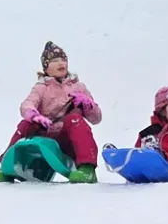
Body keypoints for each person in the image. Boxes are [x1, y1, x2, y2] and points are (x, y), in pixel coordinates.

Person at [10, 41, 103, 183]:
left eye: (63, 59)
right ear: (46, 67)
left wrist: (88, 105)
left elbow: (96, 119)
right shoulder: (41, 87)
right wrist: (33, 115)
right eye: (55, 60)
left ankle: (87, 168)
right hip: (46, 135)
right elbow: (28, 103)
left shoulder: (78, 87)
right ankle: (8, 164)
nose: (61, 63)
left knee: (74, 119)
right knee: (25, 124)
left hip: (68, 139)